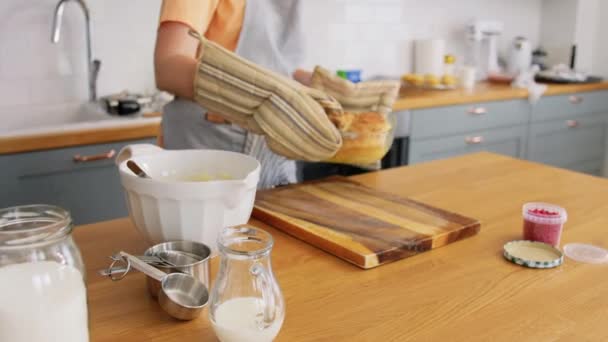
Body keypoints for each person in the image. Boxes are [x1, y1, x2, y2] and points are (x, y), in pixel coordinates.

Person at [154, 0, 311, 189]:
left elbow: (279, 67)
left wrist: (318, 87)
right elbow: (168, 66)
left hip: (276, 149)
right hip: (212, 148)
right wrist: (265, 94)